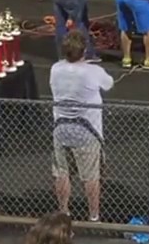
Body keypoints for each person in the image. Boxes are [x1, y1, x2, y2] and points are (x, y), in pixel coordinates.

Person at [51, 31, 113, 222]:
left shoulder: (55, 68)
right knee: (90, 176)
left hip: (61, 128)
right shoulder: (92, 71)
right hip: (87, 131)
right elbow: (109, 84)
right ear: (84, 51)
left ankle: (64, 210)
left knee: (62, 172)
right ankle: (93, 215)